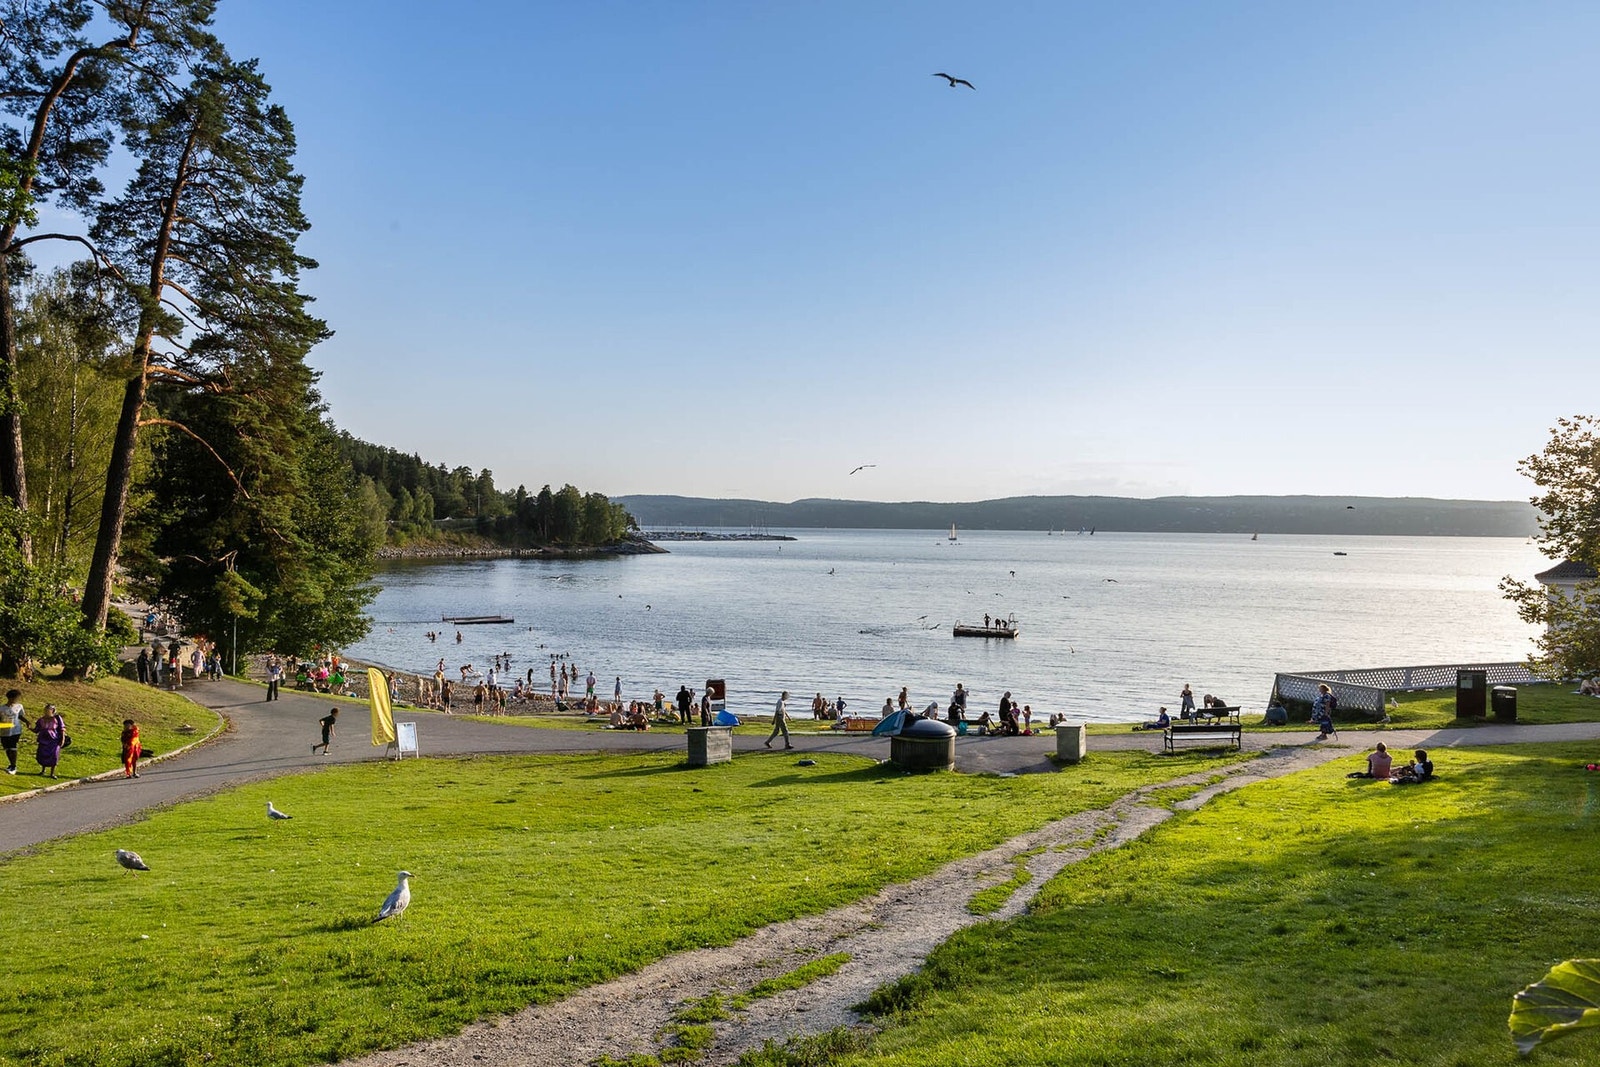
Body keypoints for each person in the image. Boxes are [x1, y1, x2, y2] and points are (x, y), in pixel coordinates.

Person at [33, 704, 65, 778]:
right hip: (43, 739)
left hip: (54, 740)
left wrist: (62, 739)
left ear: (53, 711)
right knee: (43, 754)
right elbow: (36, 730)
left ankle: (52, 773)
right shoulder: (41, 720)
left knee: (54, 755)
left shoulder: (57, 718)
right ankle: (43, 770)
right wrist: (29, 727)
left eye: (48, 710)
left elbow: (62, 728)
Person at [3, 689, 29, 775]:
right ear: (9, 698)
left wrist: (26, 721)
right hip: (4, 729)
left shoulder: (19, 706)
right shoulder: (1, 708)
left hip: (16, 730)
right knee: (7, 748)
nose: (16, 700)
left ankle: (14, 766)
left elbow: (20, 716)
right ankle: (11, 764)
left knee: (13, 747)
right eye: (15, 698)